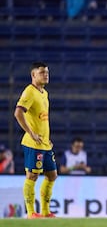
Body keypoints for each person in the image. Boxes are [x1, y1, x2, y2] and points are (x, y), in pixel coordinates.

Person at [14, 62, 57, 219]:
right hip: (34, 143)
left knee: (52, 175)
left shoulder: (44, 93)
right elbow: (18, 113)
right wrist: (31, 133)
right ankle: (31, 212)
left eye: (47, 72)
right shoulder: (29, 92)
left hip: (45, 143)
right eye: (41, 72)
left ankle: (46, 212)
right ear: (33, 75)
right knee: (32, 176)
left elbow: (42, 119)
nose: (46, 75)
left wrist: (47, 138)